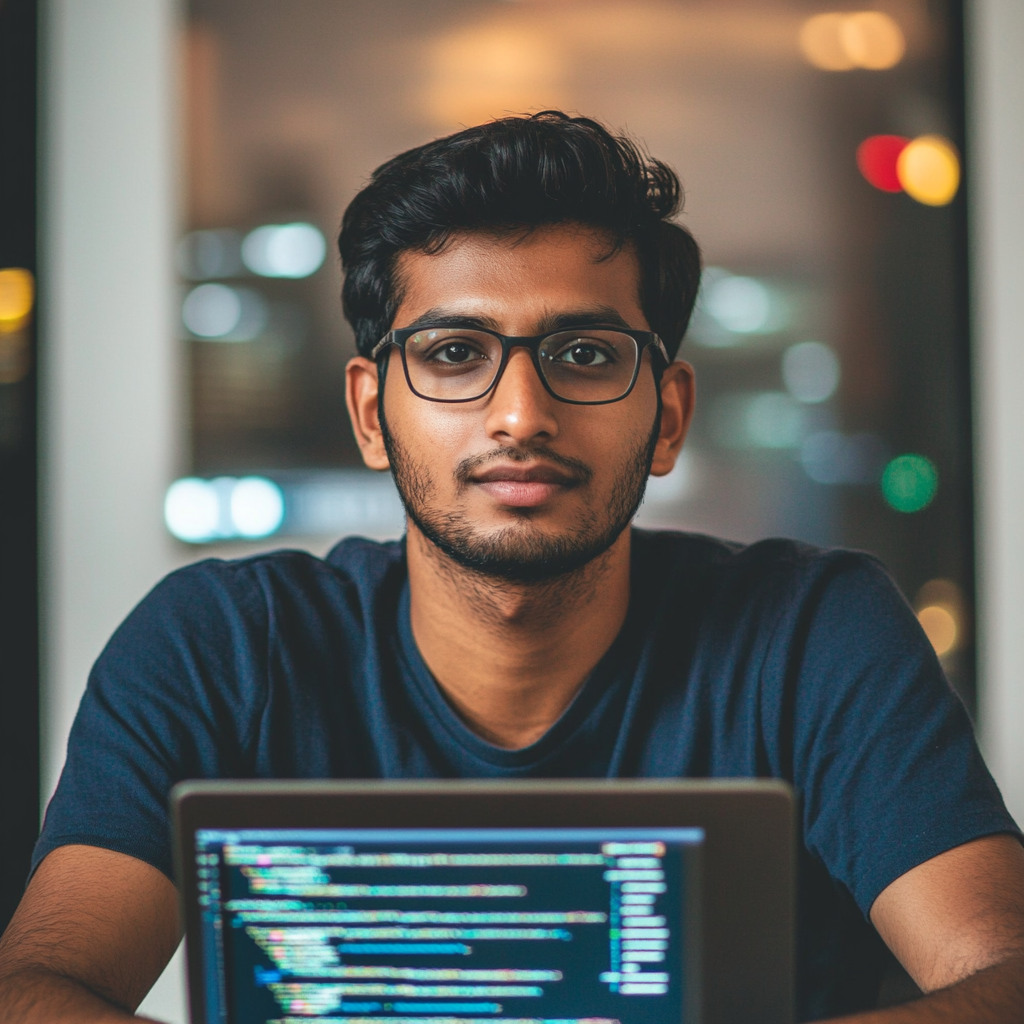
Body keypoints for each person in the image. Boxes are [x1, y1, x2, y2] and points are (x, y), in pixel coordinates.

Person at [0, 111, 1022, 1023]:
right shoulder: (221, 643)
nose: (519, 415)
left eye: (583, 354)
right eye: (453, 353)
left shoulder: (812, 634)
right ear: (370, 411)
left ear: (665, 416)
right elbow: (33, 989)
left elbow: (1006, 980)